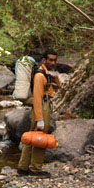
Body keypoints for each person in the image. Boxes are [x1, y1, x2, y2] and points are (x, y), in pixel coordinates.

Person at [17, 49, 60, 178]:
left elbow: (56, 88)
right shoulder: (40, 76)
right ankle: (35, 169)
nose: (53, 62)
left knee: (32, 138)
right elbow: (36, 97)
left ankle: (23, 168)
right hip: (41, 108)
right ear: (44, 60)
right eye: (50, 60)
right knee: (40, 138)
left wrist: (55, 77)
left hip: (44, 106)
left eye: (54, 60)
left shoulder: (47, 74)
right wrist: (40, 118)